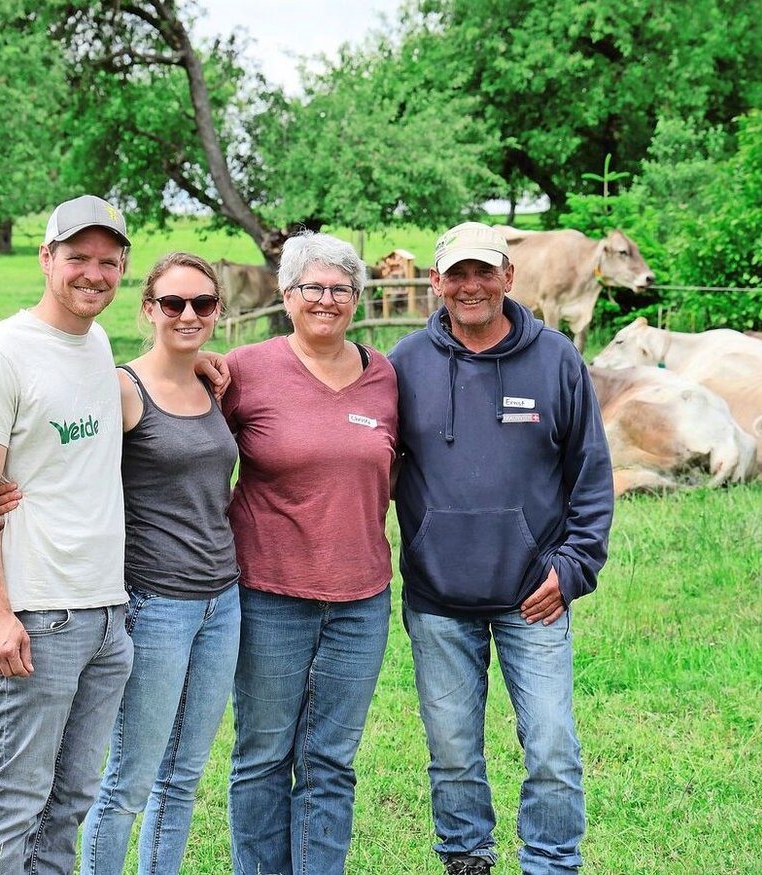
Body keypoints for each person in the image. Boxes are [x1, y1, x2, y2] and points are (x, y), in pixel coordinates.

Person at [387, 221, 615, 875]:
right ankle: (466, 856)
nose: (471, 286)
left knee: (549, 742)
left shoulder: (555, 360)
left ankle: (550, 859)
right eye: (456, 274)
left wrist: (572, 568)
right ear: (436, 283)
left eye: (484, 271)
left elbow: (591, 474)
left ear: (508, 276)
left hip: (533, 596)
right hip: (437, 595)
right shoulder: (405, 365)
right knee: (453, 746)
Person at [0, 194, 135, 875]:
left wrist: (196, 365)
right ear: (46, 258)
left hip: (106, 615)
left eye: (109, 261)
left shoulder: (97, 344)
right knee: (13, 801)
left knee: (69, 802)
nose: (94, 273)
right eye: (78, 257)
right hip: (35, 617)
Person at [222, 231, 399, 875]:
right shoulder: (244, 369)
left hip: (362, 597)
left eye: (340, 288)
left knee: (331, 758)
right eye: (312, 288)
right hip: (268, 591)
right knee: (264, 755)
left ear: (357, 297)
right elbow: (176, 435)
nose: (327, 299)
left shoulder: (385, 377)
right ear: (285, 294)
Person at [77, 253, 242, 874]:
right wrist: (5, 484)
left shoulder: (211, 382)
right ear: (149, 309)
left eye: (202, 303)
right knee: (129, 780)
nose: (188, 314)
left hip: (222, 602)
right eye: (173, 303)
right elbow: (67, 460)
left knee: (184, 778)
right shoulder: (121, 388)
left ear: (217, 311)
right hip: (155, 605)